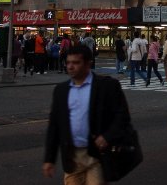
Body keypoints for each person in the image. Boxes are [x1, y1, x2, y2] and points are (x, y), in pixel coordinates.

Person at [42, 45, 134, 184]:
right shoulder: (61, 90)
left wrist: (107, 137)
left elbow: (122, 116)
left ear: (88, 64)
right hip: (72, 156)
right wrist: (49, 159)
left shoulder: (107, 86)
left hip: (96, 155)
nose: (70, 66)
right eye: (68, 63)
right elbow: (54, 126)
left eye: (76, 63)